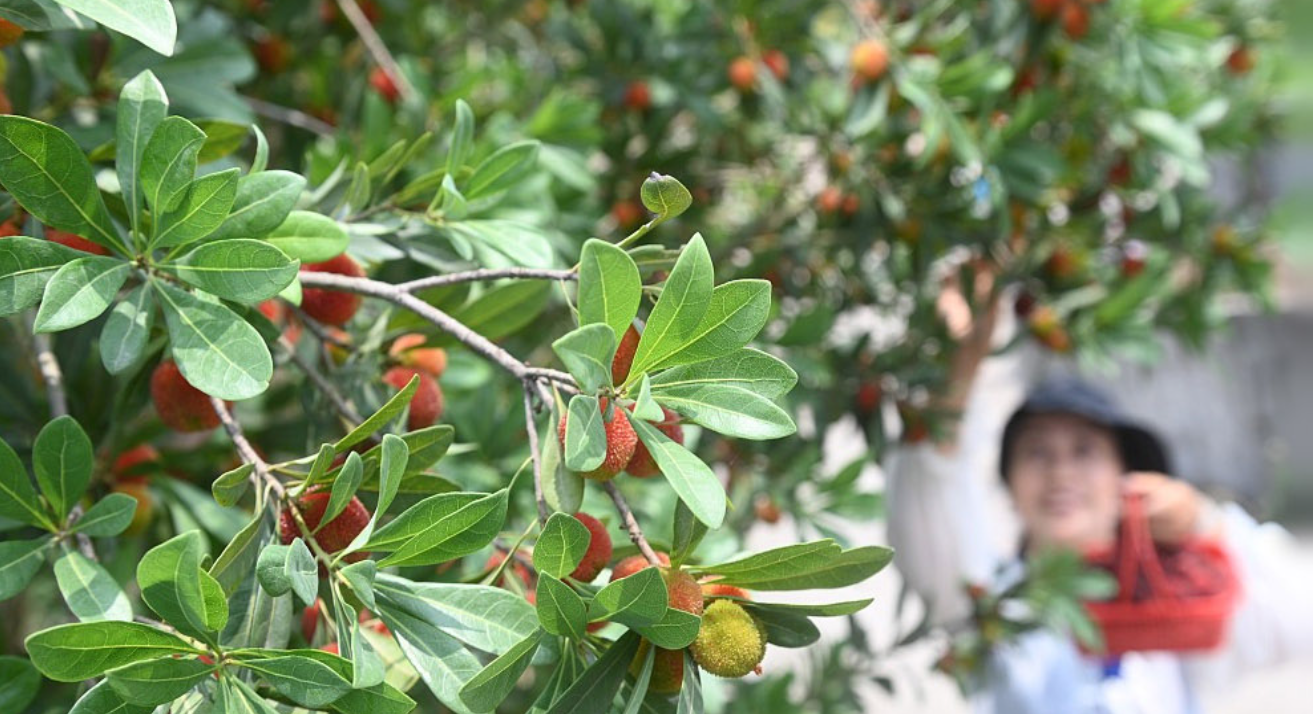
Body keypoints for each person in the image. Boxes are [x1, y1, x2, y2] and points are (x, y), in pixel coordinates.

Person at [885, 371, 1313, 714]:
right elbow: (929, 506)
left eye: (1084, 451)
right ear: (1008, 483)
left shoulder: (1174, 602)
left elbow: (1299, 618)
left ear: (1126, 477)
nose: (1061, 473)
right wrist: (955, 373)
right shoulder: (990, 603)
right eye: (1037, 452)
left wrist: (1205, 524)